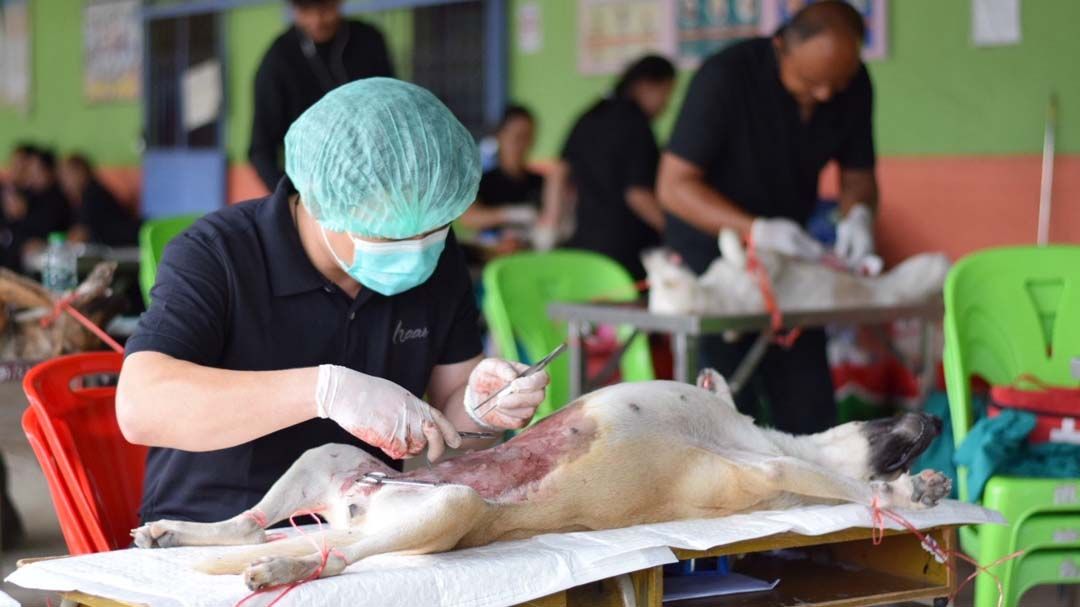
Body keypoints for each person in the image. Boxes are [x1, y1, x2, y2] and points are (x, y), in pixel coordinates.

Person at [116, 79, 550, 524]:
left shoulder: (438, 260)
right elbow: (141, 406)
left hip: (359, 528)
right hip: (212, 524)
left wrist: (485, 407)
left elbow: (453, 430)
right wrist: (323, 391)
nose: (416, 248)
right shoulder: (218, 253)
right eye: (390, 230)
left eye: (432, 228)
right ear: (322, 201)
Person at [657, 1, 878, 433]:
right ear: (781, 46)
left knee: (810, 407)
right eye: (810, 82)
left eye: (838, 83)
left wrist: (860, 216)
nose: (825, 96)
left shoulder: (850, 84)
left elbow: (858, 176)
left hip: (789, 263)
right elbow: (674, 185)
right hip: (713, 260)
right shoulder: (725, 79)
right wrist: (754, 229)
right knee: (726, 411)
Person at [543, 55, 676, 280]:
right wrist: (676, 231)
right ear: (645, 85)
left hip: (584, 245)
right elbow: (638, 195)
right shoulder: (637, 126)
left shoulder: (589, 115)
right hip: (625, 251)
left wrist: (551, 225)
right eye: (665, 93)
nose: (666, 104)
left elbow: (558, 174)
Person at [249, 0, 395, 191]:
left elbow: (392, 108)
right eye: (305, 10)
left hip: (377, 176)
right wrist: (291, 197)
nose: (316, 20)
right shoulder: (278, 59)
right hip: (312, 186)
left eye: (325, 9)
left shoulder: (369, 41)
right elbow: (261, 148)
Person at [459, 105, 544, 256]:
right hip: (493, 257)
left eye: (527, 136)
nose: (521, 144)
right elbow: (468, 218)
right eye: (516, 136)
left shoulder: (540, 181)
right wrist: (511, 214)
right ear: (500, 136)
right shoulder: (484, 181)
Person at [59, 154, 142, 247]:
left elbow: (81, 235)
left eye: (67, 174)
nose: (64, 181)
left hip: (128, 244)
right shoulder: (83, 195)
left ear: (81, 171)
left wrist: (59, 247)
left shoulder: (93, 194)